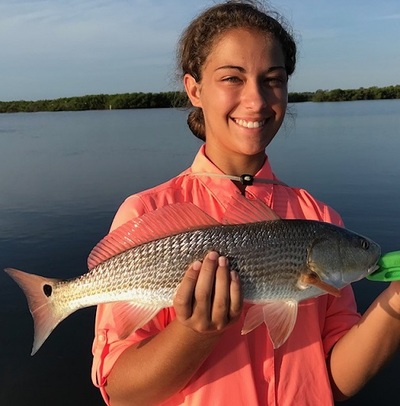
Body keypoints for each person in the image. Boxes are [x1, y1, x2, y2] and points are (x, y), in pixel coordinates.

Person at [91, 1, 400, 405]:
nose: (256, 100)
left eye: (273, 79)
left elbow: (333, 380)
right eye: (232, 78)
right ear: (194, 89)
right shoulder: (147, 214)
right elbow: (121, 391)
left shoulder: (320, 217)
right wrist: (194, 333)